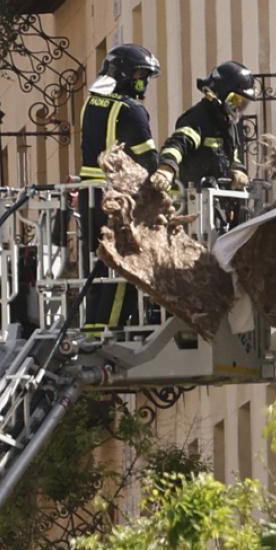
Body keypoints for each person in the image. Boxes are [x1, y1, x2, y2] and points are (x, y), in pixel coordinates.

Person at [78, 43, 161, 335]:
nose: (144, 83)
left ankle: (92, 327)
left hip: (90, 199)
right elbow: (150, 161)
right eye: (141, 75)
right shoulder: (132, 111)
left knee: (99, 266)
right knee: (123, 269)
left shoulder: (91, 103)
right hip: (117, 203)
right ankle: (106, 331)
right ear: (125, 74)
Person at [149, 61, 256, 192]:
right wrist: (166, 169)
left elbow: (232, 156)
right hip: (192, 201)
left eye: (243, 103)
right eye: (236, 100)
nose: (239, 107)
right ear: (220, 93)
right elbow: (177, 144)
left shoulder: (228, 124)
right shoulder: (197, 118)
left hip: (219, 199)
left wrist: (237, 170)